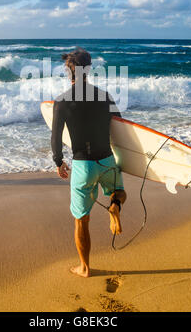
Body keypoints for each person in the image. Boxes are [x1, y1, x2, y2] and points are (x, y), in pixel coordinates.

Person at [51, 48, 126, 277]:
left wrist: (59, 161)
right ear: (89, 69)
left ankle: (84, 268)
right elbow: (121, 129)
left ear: (69, 70)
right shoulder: (105, 97)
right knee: (120, 192)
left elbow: (55, 137)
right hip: (106, 160)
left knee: (81, 221)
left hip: (83, 165)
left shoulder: (62, 102)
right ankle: (116, 206)